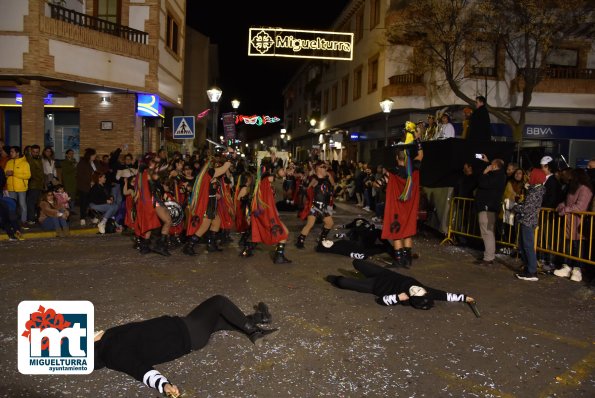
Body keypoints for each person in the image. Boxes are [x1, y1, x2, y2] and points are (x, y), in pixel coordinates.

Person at [94, 295, 276, 396]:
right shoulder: (113, 353)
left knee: (219, 321)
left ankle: (259, 318)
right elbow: (141, 370)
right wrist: (164, 385)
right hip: (188, 331)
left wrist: (98, 335)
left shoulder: (107, 340)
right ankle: (254, 332)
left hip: (189, 333)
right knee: (219, 302)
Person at [325, 259, 475, 309]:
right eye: (421, 290)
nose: (417, 289)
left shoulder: (404, 298)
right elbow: (445, 295)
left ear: (411, 297)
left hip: (374, 285)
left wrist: (397, 298)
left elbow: (381, 301)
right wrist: (464, 297)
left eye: (416, 292)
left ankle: (334, 279)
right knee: (357, 262)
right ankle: (358, 272)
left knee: (342, 281)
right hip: (384, 274)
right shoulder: (427, 292)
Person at [382, 138, 424, 268]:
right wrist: (418, 140)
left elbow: (382, 183)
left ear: (397, 157)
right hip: (410, 207)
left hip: (397, 207)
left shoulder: (392, 171)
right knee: (407, 232)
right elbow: (421, 155)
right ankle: (408, 260)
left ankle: (399, 260)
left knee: (396, 234)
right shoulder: (414, 170)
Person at [183, 150, 234, 256]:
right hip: (208, 205)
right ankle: (189, 246)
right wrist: (230, 156)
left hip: (212, 202)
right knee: (204, 227)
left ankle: (211, 244)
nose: (216, 165)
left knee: (216, 222)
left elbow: (209, 189)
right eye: (214, 163)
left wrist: (215, 195)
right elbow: (225, 168)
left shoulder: (207, 175)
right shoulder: (210, 173)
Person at [553, 168, 593, 282]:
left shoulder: (585, 189)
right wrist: (561, 206)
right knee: (568, 244)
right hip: (569, 221)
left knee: (577, 245)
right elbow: (567, 202)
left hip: (579, 223)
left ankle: (577, 268)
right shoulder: (573, 188)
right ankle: (567, 266)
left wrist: (565, 209)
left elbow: (581, 207)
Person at [250, 164, 292, 264]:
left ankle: (279, 254)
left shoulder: (264, 185)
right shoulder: (264, 186)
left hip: (269, 215)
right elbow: (267, 204)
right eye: (271, 175)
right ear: (266, 177)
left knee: (284, 233)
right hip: (269, 216)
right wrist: (273, 216)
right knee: (284, 233)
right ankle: (279, 256)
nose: (273, 177)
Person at [473, 154, 507, 266]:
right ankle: (488, 255)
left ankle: (489, 258)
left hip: (488, 207)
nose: (489, 166)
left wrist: (485, 172)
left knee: (487, 232)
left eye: (492, 164)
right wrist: (487, 162)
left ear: (495, 166)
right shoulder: (499, 175)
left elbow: (483, 183)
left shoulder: (497, 176)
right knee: (487, 232)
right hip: (488, 206)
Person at [514, 168, 546, 281]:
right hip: (528, 220)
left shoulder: (535, 192)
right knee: (524, 246)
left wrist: (514, 206)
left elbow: (527, 208)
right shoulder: (535, 190)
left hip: (528, 220)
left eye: (530, 175)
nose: (528, 177)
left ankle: (531, 271)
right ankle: (528, 268)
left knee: (527, 246)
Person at [296, 161, 335, 249]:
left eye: (325, 167)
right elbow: (307, 189)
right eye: (322, 167)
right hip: (315, 206)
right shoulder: (314, 178)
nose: (324, 168)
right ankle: (300, 240)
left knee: (330, 223)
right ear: (317, 168)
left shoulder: (327, 176)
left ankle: (322, 238)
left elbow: (333, 184)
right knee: (310, 224)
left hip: (324, 207)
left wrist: (328, 175)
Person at [5, 146, 31, 226]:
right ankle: (13, 221)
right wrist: (6, 174)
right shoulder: (9, 162)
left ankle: (24, 221)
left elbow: (28, 176)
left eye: (12, 152)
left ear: (17, 153)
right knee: (12, 206)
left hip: (21, 188)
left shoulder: (25, 163)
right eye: (10, 152)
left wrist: (14, 173)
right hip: (11, 187)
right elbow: (5, 173)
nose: (11, 153)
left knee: (22, 205)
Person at [77, 148, 100, 226]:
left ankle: (92, 216)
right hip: (84, 186)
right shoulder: (82, 163)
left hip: (94, 186)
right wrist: (89, 181)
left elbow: (98, 172)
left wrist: (96, 180)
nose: (95, 156)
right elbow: (80, 175)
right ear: (89, 155)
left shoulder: (95, 162)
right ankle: (82, 218)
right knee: (84, 203)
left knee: (92, 202)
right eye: (94, 155)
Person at [25, 144, 44, 226]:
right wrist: (40, 178)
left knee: (38, 203)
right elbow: (32, 173)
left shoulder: (39, 159)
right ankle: (30, 219)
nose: (36, 153)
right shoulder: (30, 159)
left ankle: (36, 218)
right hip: (33, 185)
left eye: (37, 152)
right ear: (31, 152)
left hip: (39, 185)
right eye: (34, 152)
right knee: (31, 203)